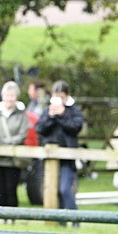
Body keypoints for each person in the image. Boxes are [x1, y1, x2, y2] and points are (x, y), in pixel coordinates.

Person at [35, 80, 84, 224]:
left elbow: (75, 127)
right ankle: (61, 222)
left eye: (61, 96)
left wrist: (62, 115)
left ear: (67, 96)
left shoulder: (74, 111)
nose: (59, 99)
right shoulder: (48, 110)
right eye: (56, 96)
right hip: (50, 158)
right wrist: (51, 116)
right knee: (53, 190)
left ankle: (76, 220)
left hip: (67, 158)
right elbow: (40, 128)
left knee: (65, 189)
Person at [0, 81, 30, 218]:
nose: (9, 99)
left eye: (12, 96)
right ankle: (2, 217)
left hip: (13, 159)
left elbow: (22, 136)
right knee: (0, 189)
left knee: (11, 188)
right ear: (3, 96)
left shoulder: (21, 115)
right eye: (7, 95)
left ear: (16, 97)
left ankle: (12, 217)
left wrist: (3, 141)